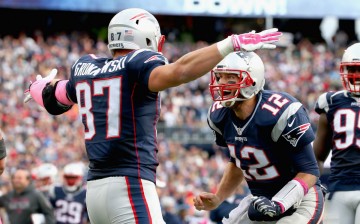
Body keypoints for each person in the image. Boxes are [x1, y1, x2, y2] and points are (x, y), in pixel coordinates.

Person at [24, 7, 282, 224]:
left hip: (94, 192)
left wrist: (37, 88)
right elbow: (179, 72)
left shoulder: (85, 67)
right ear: (147, 39)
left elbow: (54, 98)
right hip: (129, 186)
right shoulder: (137, 64)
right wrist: (229, 44)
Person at [193, 51, 324, 223]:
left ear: (252, 81)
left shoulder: (279, 112)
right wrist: (218, 198)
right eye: (220, 77)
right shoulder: (220, 115)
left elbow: (310, 171)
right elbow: (237, 162)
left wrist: (279, 204)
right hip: (261, 202)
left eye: (231, 77)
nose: (222, 83)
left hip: (301, 200)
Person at [313, 42, 360, 224]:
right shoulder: (331, 101)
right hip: (339, 186)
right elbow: (318, 156)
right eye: (352, 69)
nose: (356, 76)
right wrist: (313, 189)